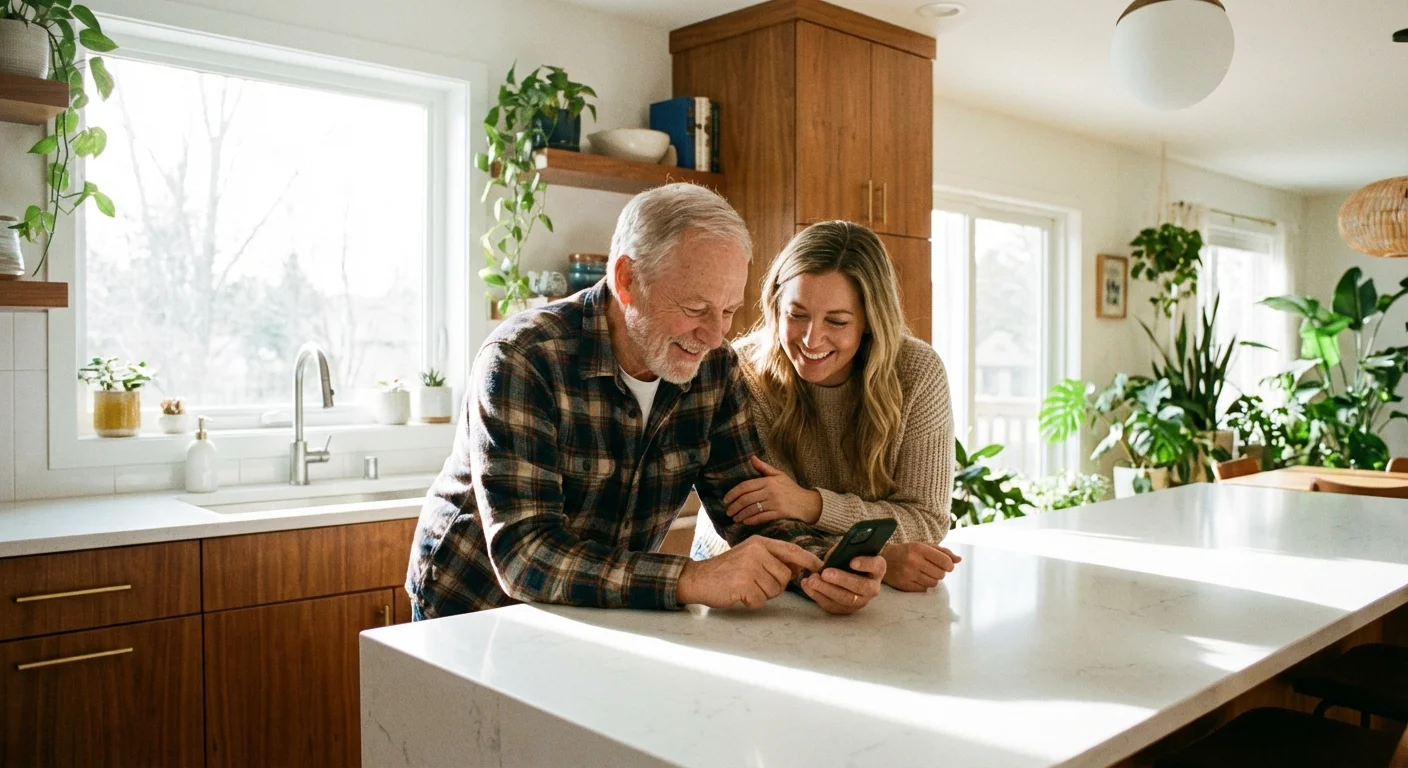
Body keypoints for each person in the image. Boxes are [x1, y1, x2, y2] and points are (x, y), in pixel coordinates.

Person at [406, 185, 887, 619]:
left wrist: (822, 568)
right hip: (472, 610)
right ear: (627, 280)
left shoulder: (714, 368)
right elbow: (526, 555)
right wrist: (691, 578)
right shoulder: (525, 359)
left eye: (728, 311)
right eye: (696, 309)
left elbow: (747, 507)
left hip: (600, 612)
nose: (715, 336)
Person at [693, 220, 962, 592]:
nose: (810, 338)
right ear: (775, 304)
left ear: (870, 320)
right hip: (740, 584)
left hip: (845, 582)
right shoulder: (740, 372)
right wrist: (876, 556)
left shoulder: (917, 373)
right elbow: (760, 519)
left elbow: (927, 519)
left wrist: (811, 505)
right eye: (796, 314)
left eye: (837, 320)